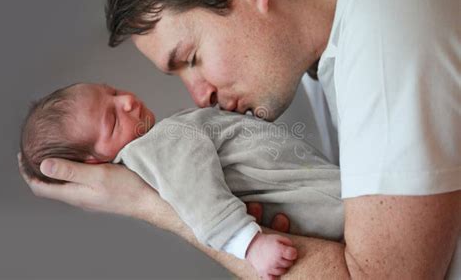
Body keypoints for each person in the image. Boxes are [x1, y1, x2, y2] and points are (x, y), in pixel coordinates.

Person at [19, 0, 461, 279]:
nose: (198, 95)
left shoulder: (386, 28)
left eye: (191, 58)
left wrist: (150, 204)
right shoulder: (325, 53)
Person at [20, 82, 344, 278]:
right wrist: (249, 245)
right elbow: (198, 197)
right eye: (112, 119)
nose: (127, 102)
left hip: (315, 199)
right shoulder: (153, 146)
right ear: (95, 162)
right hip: (323, 201)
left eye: (112, 92)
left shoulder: (166, 138)